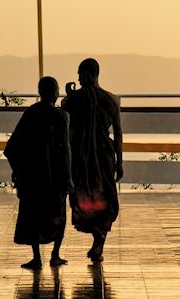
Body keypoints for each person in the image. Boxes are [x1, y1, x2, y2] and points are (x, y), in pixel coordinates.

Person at [4, 76, 74, 270]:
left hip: (32, 177)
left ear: (40, 92)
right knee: (59, 214)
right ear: (55, 93)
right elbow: (66, 150)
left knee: (33, 216)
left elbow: (11, 148)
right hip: (55, 177)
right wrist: (68, 178)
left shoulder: (30, 113)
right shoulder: (61, 116)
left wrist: (18, 171)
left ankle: (36, 258)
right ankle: (55, 254)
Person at [61, 58, 123, 262]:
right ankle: (99, 240)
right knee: (104, 195)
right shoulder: (112, 100)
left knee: (85, 196)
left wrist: (69, 97)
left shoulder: (75, 99)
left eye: (81, 74)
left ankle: (98, 238)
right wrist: (120, 160)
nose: (78, 78)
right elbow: (118, 134)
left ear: (90, 74)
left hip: (83, 155)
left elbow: (65, 118)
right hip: (104, 155)